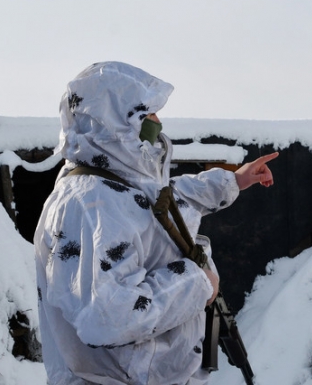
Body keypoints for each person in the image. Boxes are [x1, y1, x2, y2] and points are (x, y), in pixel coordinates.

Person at [34, 61, 278, 385]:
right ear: (113, 120)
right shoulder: (90, 205)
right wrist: (196, 283)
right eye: (147, 114)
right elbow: (108, 317)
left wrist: (233, 181)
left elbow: (163, 202)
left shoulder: (112, 186)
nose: (158, 123)